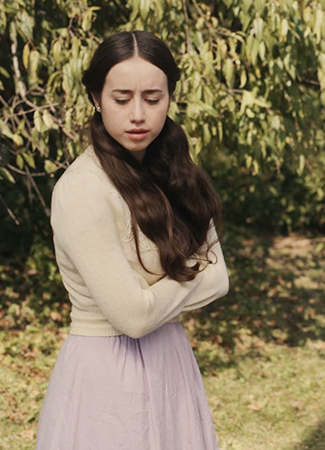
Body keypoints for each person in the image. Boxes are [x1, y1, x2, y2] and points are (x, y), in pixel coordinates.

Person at [35, 31, 228, 450]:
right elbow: (133, 318)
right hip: (106, 372)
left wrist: (155, 297)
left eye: (153, 98)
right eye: (121, 99)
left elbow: (222, 280)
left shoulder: (179, 173)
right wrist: (194, 277)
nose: (138, 114)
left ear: (170, 98)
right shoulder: (83, 189)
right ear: (96, 98)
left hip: (171, 362)